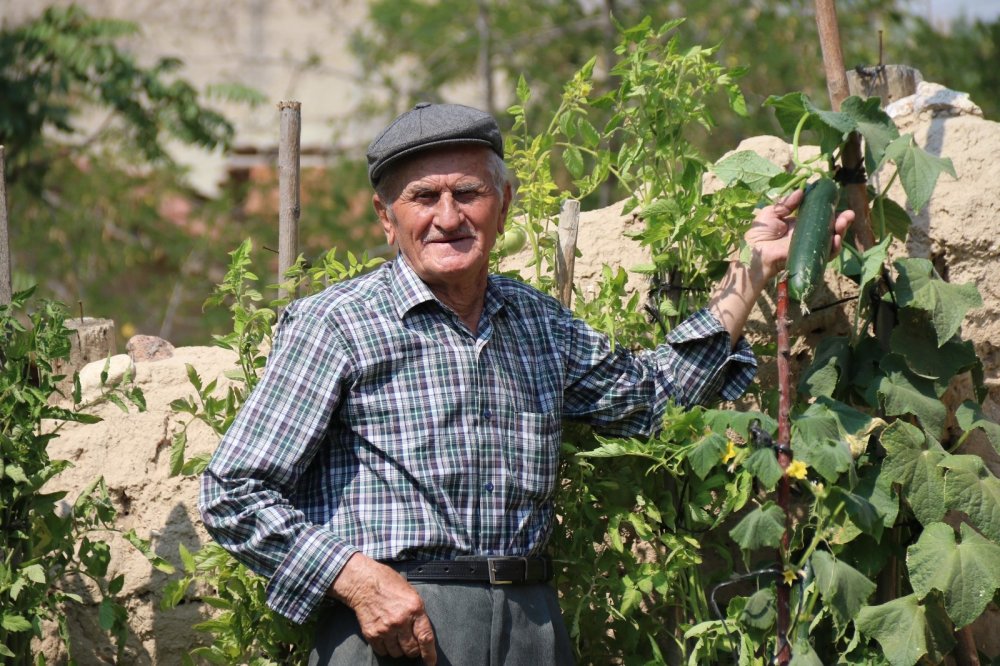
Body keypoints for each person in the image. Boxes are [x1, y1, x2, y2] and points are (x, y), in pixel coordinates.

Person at [199, 102, 853, 665]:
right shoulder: (337, 324)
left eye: (469, 193)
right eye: (423, 198)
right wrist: (360, 581)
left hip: (532, 627)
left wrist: (753, 271)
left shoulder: (536, 321)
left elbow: (655, 402)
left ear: (504, 203)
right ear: (385, 216)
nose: (448, 217)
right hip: (396, 632)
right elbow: (234, 490)